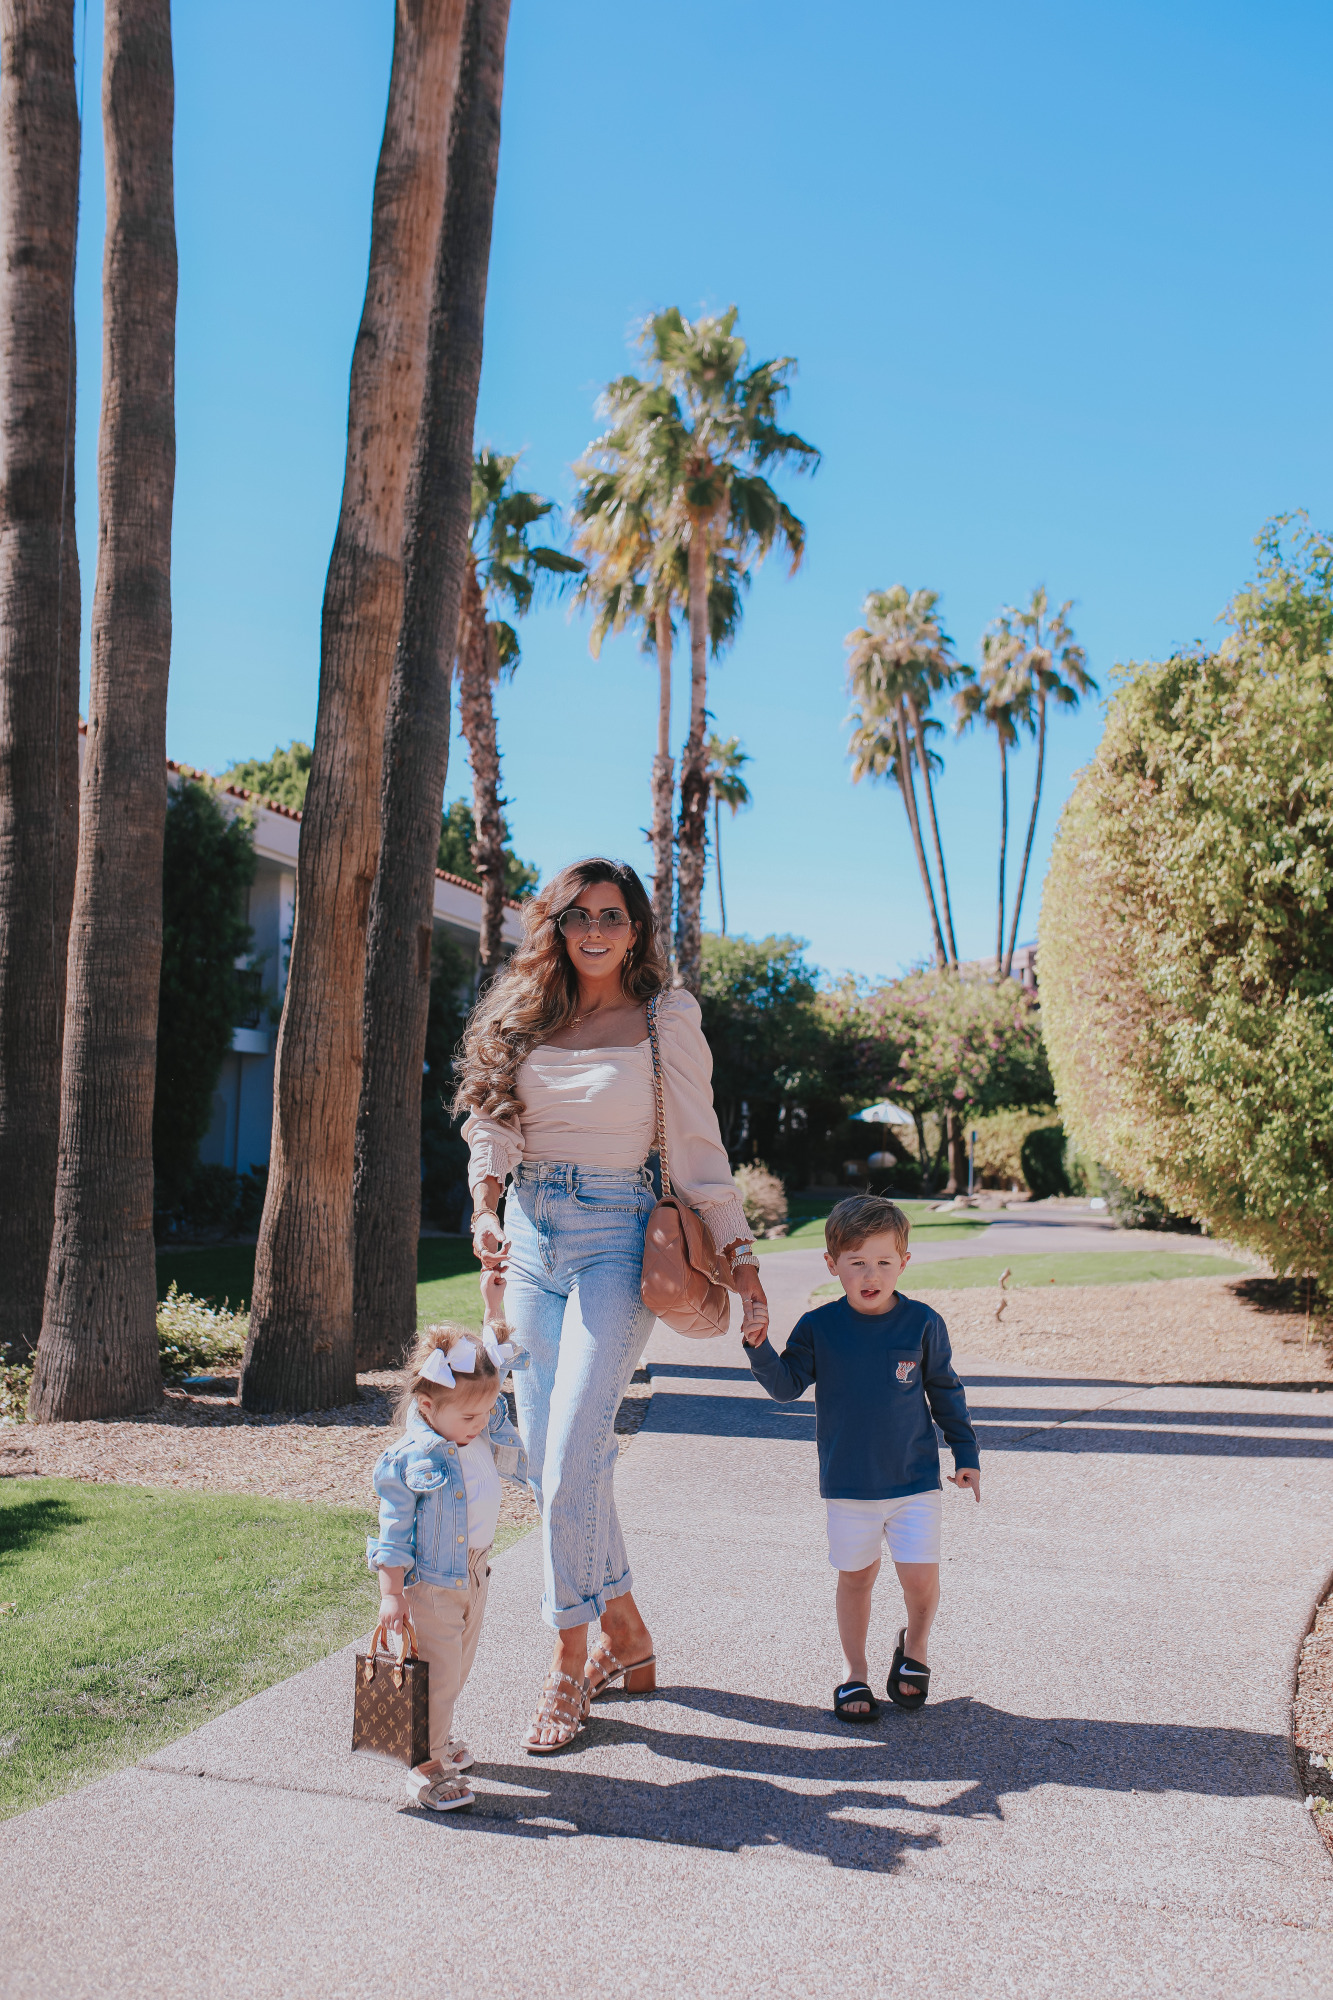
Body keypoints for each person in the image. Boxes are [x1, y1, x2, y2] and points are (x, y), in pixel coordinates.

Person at [455, 856, 770, 1753]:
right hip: (528, 1239)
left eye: (613, 915)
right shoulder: (521, 1012)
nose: (595, 930)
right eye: (579, 915)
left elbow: (701, 1147)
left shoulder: (665, 1018)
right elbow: (489, 1121)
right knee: (565, 1466)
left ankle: (566, 1667)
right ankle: (626, 1635)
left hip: (616, 1240)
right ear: (555, 926)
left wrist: (741, 1257)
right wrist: (484, 1209)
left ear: (636, 930)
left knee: (567, 1455)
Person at [742, 1194, 980, 1720]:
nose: (870, 1274)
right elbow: (786, 1387)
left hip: (915, 1482)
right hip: (849, 1485)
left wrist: (966, 1451)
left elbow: (944, 1388)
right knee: (857, 1577)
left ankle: (914, 1649)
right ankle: (855, 1674)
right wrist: (759, 1346)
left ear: (904, 1262)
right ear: (832, 1265)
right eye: (856, 1263)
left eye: (883, 1262)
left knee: (919, 1578)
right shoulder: (819, 1327)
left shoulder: (922, 1322)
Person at [367, 1279, 527, 1810]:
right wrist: (392, 1595)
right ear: (429, 1405)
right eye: (469, 1417)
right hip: (433, 1585)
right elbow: (392, 1533)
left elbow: (494, 1367)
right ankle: (422, 1764)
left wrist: (492, 1306)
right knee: (434, 1675)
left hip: (475, 1574)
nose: (481, 1425)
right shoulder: (412, 1459)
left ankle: (434, 1738)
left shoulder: (471, 1421)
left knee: (454, 1669)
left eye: (485, 1414)